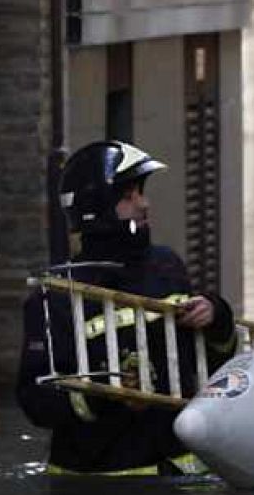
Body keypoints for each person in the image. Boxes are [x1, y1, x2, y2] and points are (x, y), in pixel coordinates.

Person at [18, 141, 238, 475]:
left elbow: (212, 366)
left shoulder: (167, 267)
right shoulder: (56, 297)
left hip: (178, 484)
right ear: (98, 208)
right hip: (98, 491)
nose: (144, 204)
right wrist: (103, 393)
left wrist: (216, 317)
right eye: (128, 196)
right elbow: (36, 401)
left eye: (140, 193)